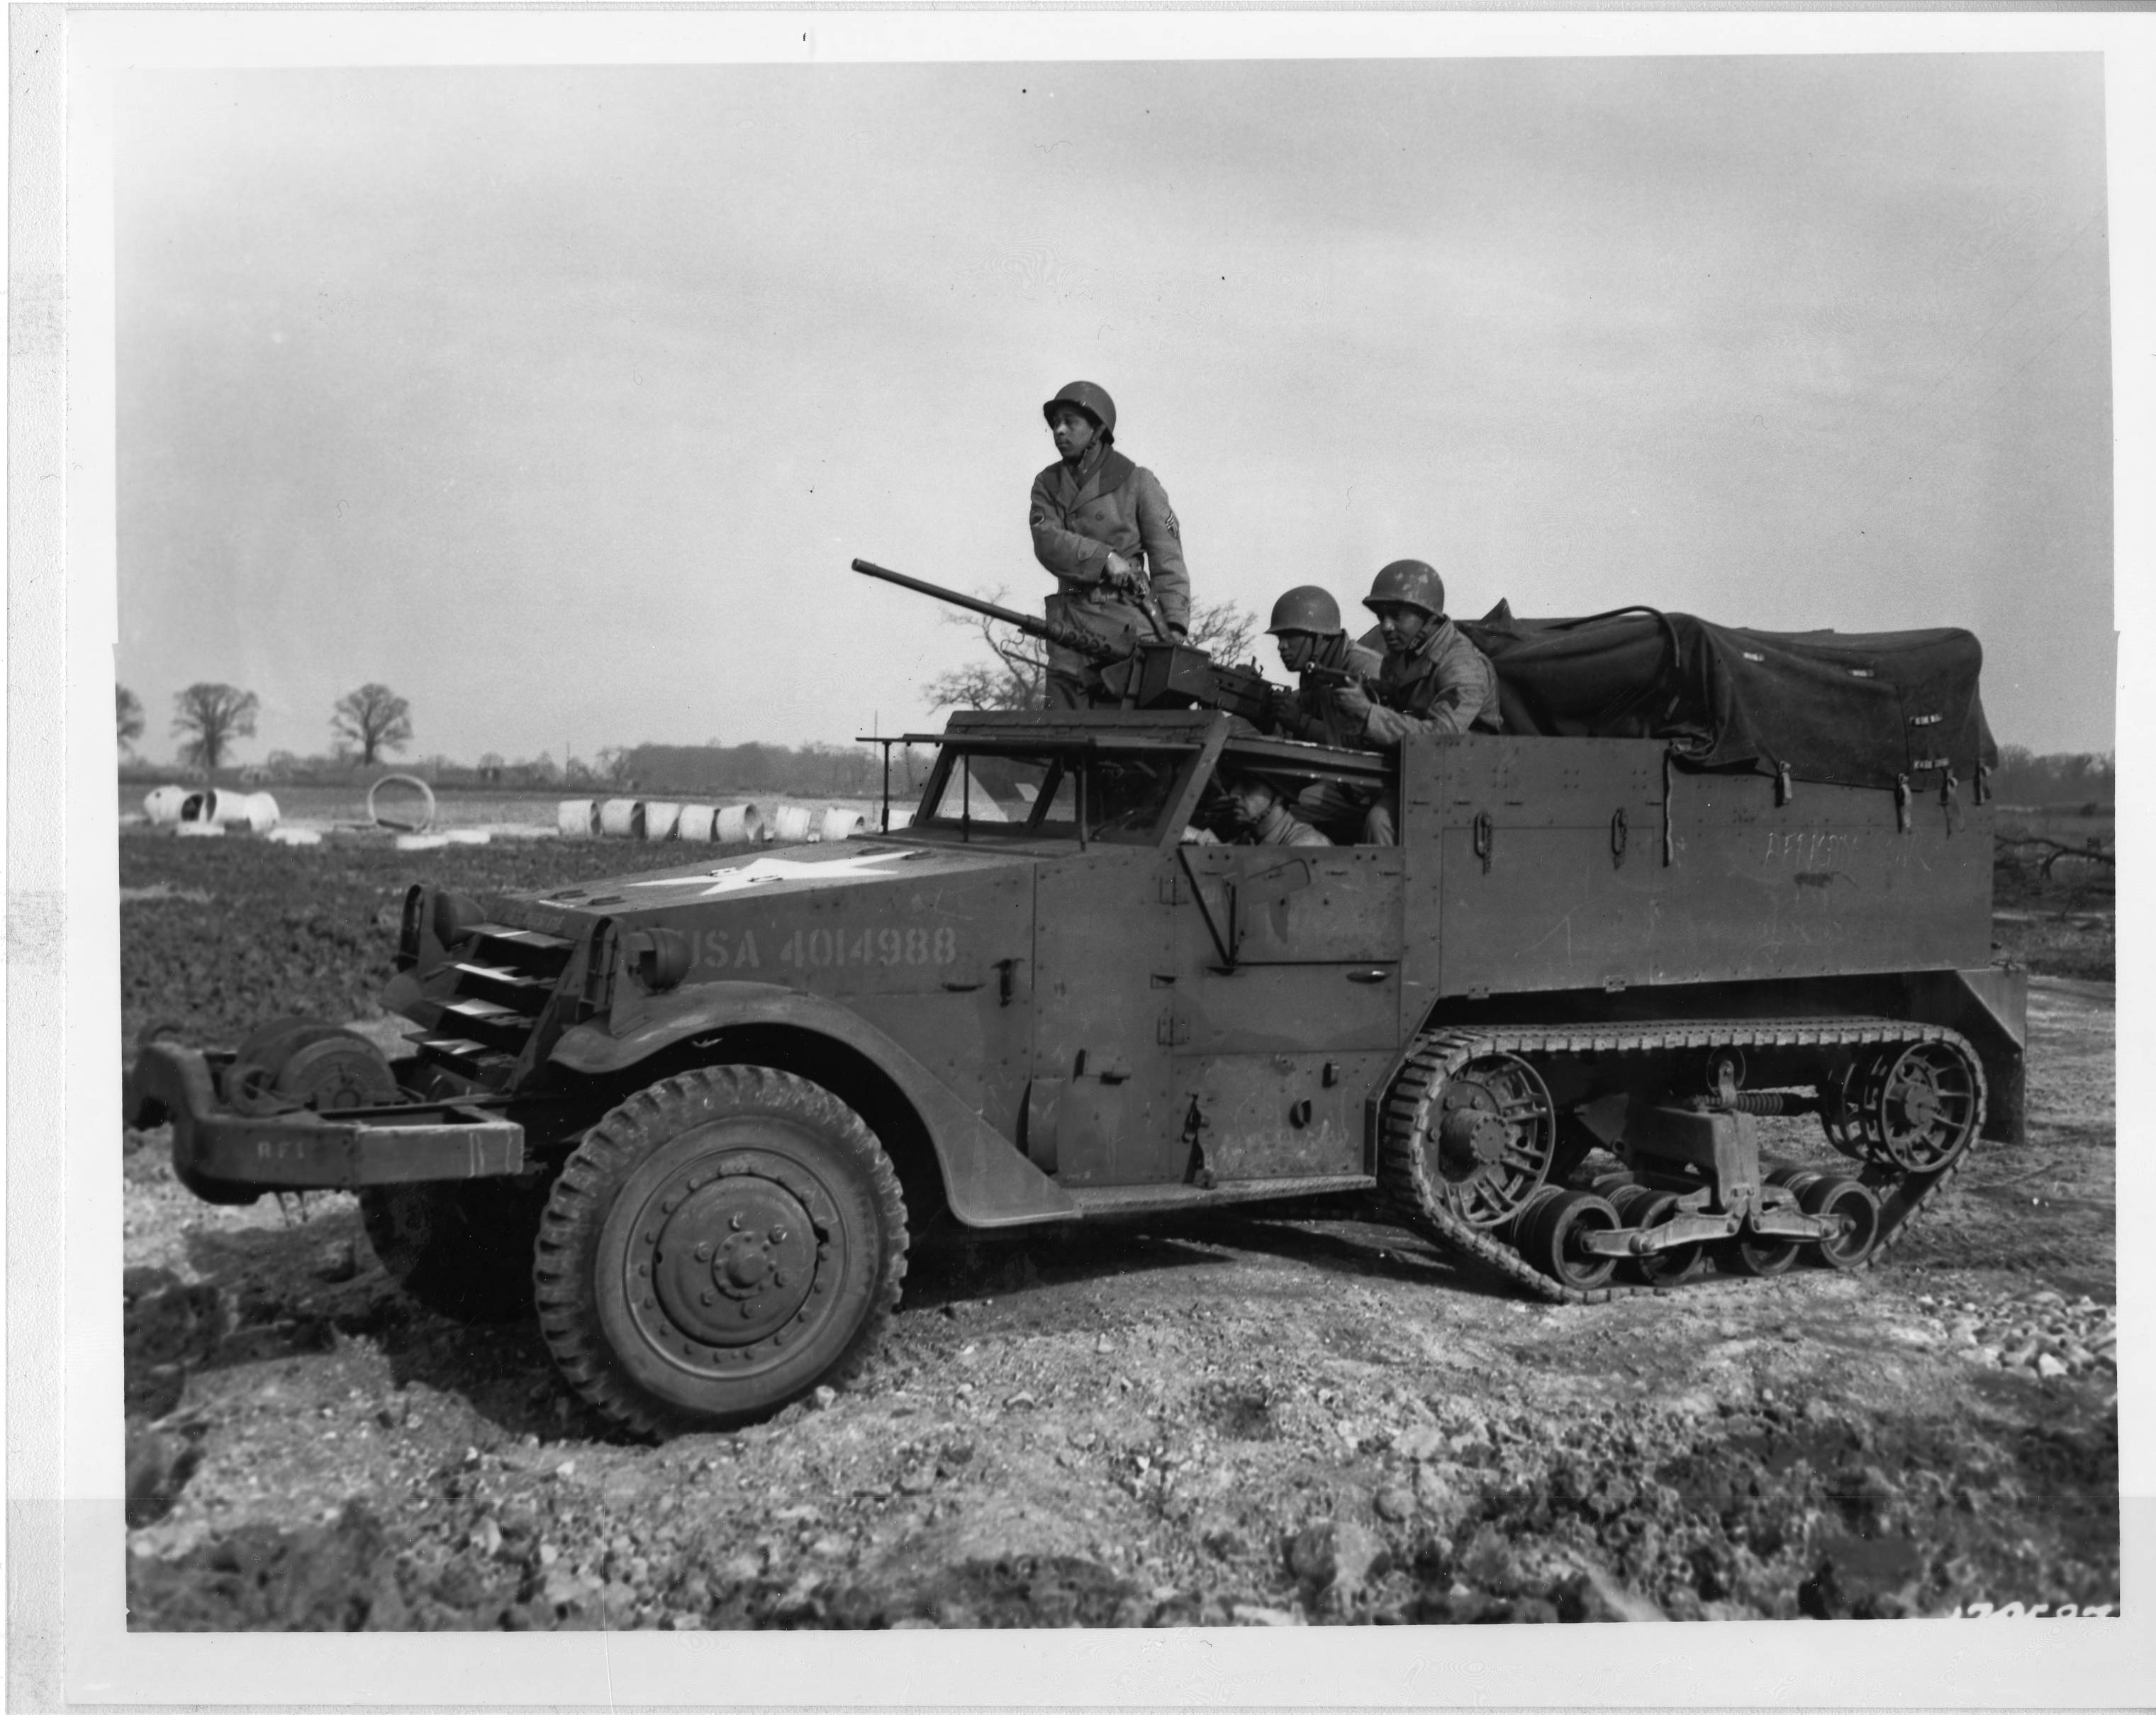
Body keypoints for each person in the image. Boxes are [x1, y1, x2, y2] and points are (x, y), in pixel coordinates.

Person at [1029, 382, 1192, 708]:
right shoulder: (1047, 484)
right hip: (1069, 633)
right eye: (1055, 423)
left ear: (1098, 428)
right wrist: (1105, 558)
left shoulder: (1137, 481)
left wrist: (1174, 629)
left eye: (1070, 422)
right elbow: (1047, 542)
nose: (1059, 431)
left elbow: (1168, 560)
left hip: (1127, 631)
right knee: (1062, 740)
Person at [1331, 559, 1502, 844]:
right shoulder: (1399, 659)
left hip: (1463, 779)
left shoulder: (1463, 665)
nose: (1385, 627)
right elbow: (1405, 713)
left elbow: (1440, 738)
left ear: (1429, 618)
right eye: (1381, 616)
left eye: (1397, 616)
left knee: (1380, 821)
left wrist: (1369, 714)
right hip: (1416, 771)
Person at [1258, 583, 1386, 838]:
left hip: (1371, 779)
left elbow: (1371, 744)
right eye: (1279, 639)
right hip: (1339, 772)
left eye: (1290, 637)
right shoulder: (1312, 671)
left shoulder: (1363, 668)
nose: (1281, 647)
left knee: (1288, 813)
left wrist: (1301, 722)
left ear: (1319, 638)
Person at [1222, 773, 1331, 847]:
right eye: (1231, 785)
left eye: (1248, 785)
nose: (1233, 794)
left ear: (1278, 796)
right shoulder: (1246, 838)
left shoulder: (1306, 845)